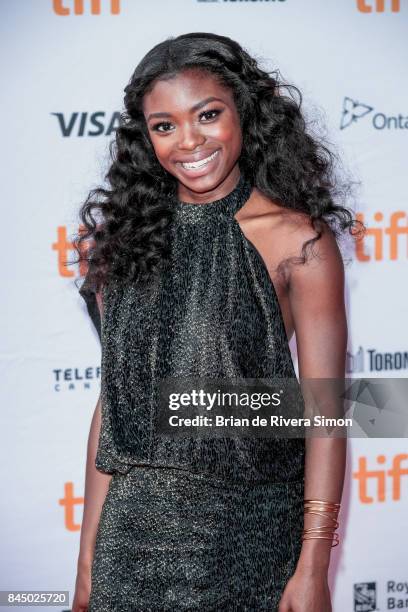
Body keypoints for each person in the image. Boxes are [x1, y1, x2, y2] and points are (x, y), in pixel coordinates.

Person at [71, 32, 362, 612]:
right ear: (144, 136)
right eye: (164, 125)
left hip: (251, 536)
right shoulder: (122, 244)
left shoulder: (296, 239)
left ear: (243, 114)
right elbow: (116, 404)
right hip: (131, 538)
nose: (189, 141)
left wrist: (314, 564)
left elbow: (324, 407)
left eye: (208, 115)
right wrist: (86, 563)